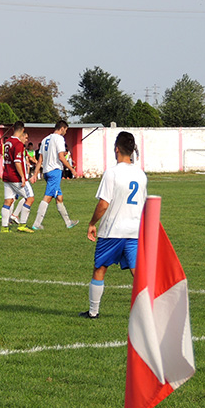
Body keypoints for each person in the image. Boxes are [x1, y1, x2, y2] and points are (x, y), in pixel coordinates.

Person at [80, 131, 147, 319]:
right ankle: (149, 312)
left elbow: (103, 203)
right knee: (137, 272)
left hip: (113, 231)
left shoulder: (112, 172)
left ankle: (93, 312)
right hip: (134, 230)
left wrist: (92, 223)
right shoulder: (141, 174)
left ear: (116, 149)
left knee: (100, 268)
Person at [30, 120, 79, 230]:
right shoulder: (59, 139)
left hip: (47, 171)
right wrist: (72, 169)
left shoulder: (45, 139)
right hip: (55, 171)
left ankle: (68, 222)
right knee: (48, 197)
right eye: (65, 130)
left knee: (59, 197)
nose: (65, 132)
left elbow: (40, 160)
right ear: (62, 128)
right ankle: (37, 223)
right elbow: (61, 157)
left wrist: (35, 174)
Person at [0, 121, 34, 233]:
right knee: (30, 198)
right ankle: (22, 225)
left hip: (6, 176)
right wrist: (23, 177)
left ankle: (4, 227)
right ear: (22, 130)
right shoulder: (18, 144)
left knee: (8, 201)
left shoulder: (8, 142)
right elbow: (17, 162)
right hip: (15, 177)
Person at [10, 132, 33, 224]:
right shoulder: (19, 146)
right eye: (26, 138)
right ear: (22, 136)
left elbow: (27, 159)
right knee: (28, 197)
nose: (27, 140)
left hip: (14, 177)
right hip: (19, 178)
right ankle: (15, 216)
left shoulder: (18, 147)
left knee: (12, 198)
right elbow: (17, 162)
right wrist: (23, 176)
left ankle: (9, 218)